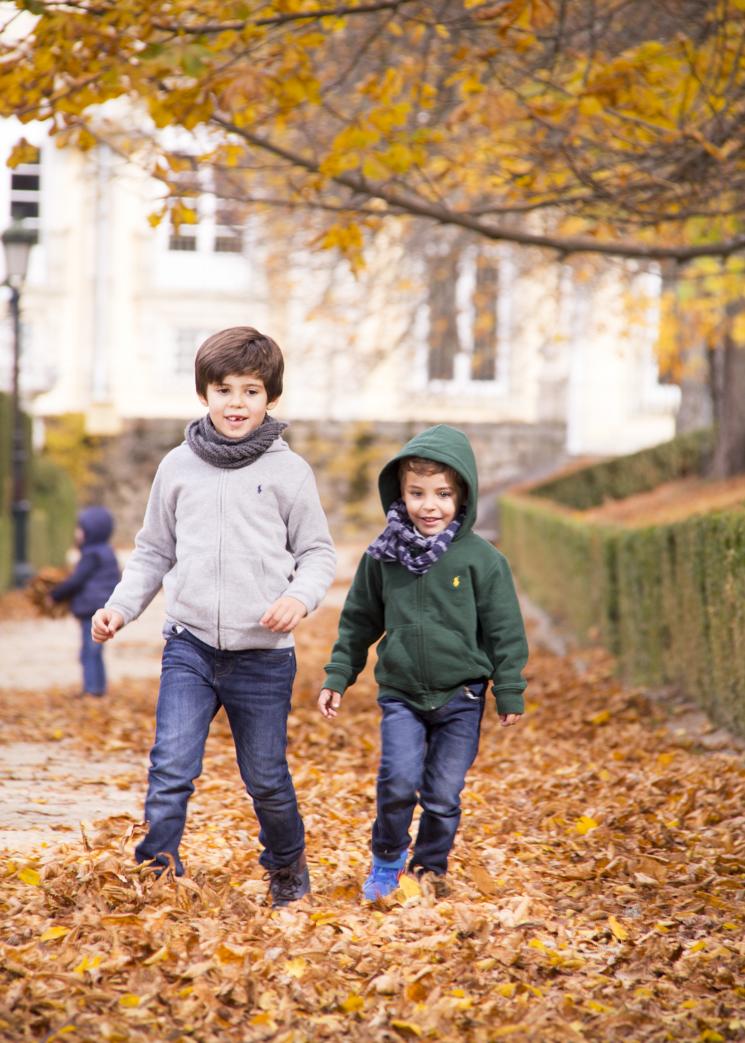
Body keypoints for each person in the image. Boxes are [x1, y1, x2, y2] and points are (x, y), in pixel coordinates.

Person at [91, 327, 336, 906]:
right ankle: (156, 871)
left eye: (250, 391)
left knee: (267, 781)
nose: (236, 402)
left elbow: (318, 553)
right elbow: (154, 550)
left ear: (269, 398)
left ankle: (286, 867)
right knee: (172, 766)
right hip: (190, 646)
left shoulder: (289, 471)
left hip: (263, 657)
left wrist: (299, 598)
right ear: (204, 393)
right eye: (224, 389)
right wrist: (120, 607)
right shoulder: (177, 466)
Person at [318, 424, 528, 900]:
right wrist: (339, 675)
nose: (428, 505)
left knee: (443, 795)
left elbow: (504, 630)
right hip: (402, 695)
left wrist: (509, 687)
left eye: (442, 494)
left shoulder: (482, 560)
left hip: (462, 695)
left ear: (463, 497)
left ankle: (430, 868)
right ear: (400, 493)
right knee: (397, 782)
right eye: (416, 493)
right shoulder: (383, 556)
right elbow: (358, 621)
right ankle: (388, 862)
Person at [50, 506, 121, 698]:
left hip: (92, 609)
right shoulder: (107, 552)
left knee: (89, 651)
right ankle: (97, 686)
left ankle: (92, 689)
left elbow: (76, 580)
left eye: (80, 529)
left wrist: (55, 595)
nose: (77, 533)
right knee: (95, 650)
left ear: (92, 531)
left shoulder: (92, 554)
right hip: (101, 607)